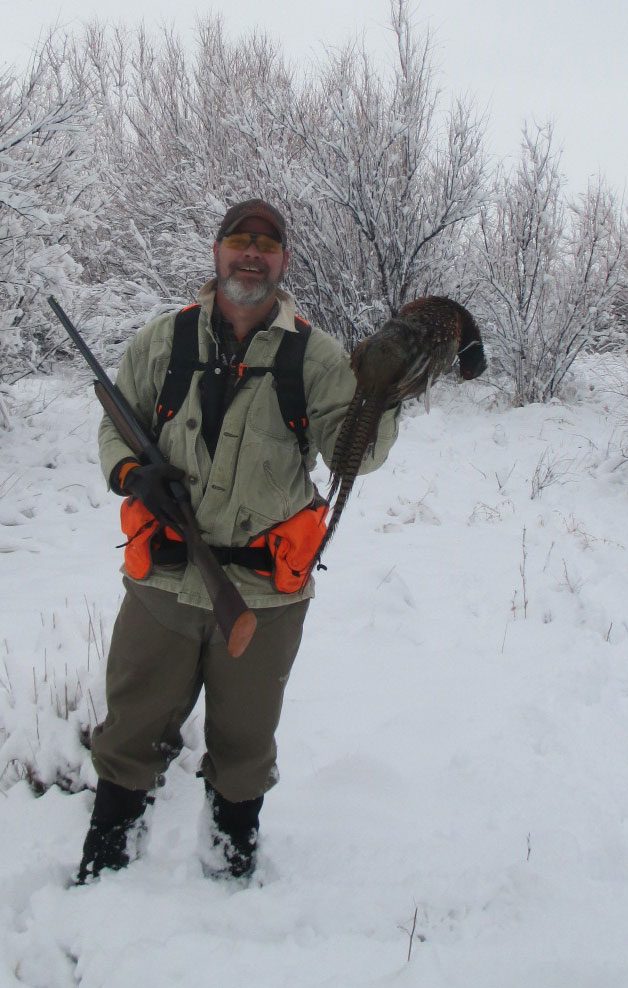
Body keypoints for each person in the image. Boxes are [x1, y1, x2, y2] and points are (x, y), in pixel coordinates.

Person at [78, 198, 401, 883]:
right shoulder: (163, 341)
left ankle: (230, 867)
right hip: (164, 579)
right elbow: (116, 421)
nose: (251, 253)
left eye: (267, 243)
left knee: (245, 742)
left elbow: (352, 456)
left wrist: (384, 394)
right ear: (217, 251)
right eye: (239, 239)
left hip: (262, 593)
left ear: (283, 262)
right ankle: (106, 859)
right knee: (132, 728)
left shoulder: (312, 356)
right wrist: (136, 476)